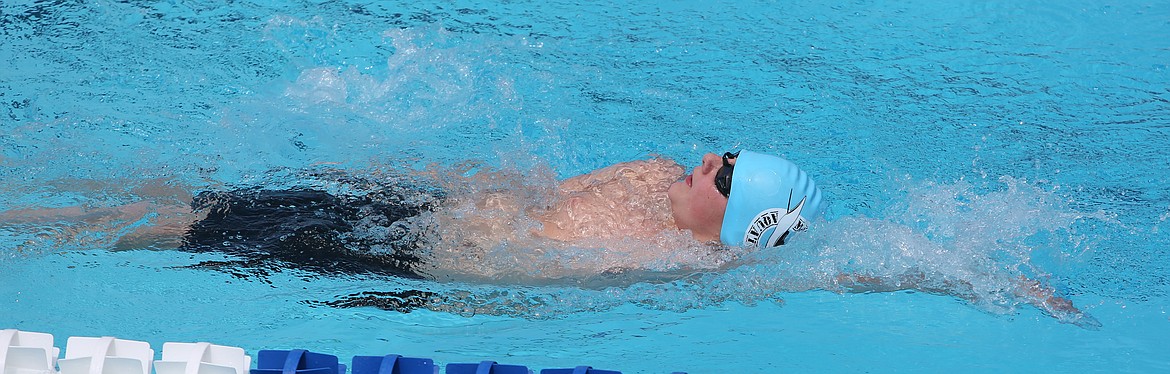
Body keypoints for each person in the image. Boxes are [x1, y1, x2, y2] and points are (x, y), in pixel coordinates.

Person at [0, 150, 1093, 326]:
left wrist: (991, 284)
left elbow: (857, 272)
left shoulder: (682, 259)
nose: (702, 156)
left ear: (731, 212)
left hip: (400, 254)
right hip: (400, 208)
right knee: (178, 195)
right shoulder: (661, 187)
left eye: (719, 169)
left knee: (172, 227)